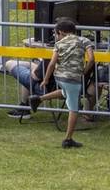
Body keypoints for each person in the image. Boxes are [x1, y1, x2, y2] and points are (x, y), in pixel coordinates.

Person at [36, 17, 95, 148]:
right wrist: (84, 72)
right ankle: (68, 139)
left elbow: (52, 64)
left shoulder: (59, 44)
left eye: (56, 33)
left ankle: (38, 99)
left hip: (59, 77)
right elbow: (91, 59)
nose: (56, 36)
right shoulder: (84, 40)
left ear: (61, 32)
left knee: (65, 92)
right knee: (74, 109)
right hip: (73, 78)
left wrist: (46, 79)